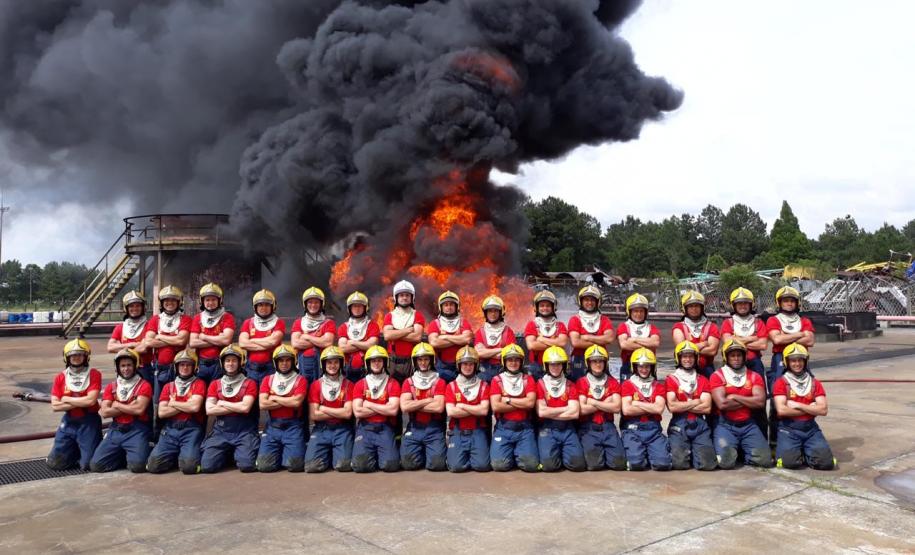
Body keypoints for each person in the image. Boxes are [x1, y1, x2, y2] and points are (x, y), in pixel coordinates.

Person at [709, 340, 773, 469]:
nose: (736, 358)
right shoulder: (718, 376)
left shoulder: (754, 376)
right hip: (725, 425)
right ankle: (734, 451)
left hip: (748, 425)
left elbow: (760, 402)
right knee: (726, 463)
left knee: (764, 461)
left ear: (744, 356)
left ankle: (742, 452)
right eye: (732, 355)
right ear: (726, 357)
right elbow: (722, 404)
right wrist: (749, 400)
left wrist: (734, 396)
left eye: (739, 355)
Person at [772, 343, 836, 470]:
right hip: (788, 429)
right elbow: (782, 410)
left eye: (800, 360)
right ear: (787, 362)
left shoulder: (814, 383)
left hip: (810, 429)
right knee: (790, 463)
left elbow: (823, 410)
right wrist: (811, 408)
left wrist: (797, 405)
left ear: (805, 361)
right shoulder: (781, 382)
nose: (797, 364)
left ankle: (805, 452)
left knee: (826, 463)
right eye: (793, 360)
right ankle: (797, 451)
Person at [766, 286, 815, 444]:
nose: (788, 303)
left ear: (797, 303)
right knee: (777, 398)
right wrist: (800, 334)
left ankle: (804, 434)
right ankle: (775, 439)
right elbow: (777, 340)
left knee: (805, 394)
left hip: (801, 359)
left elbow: (810, 340)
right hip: (780, 359)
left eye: (791, 301)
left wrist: (786, 336)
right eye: (785, 300)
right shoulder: (774, 320)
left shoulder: (804, 320)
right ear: (779, 303)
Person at [90, 348, 153, 473]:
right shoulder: (111, 386)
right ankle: (125, 455)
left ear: (135, 366)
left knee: (138, 467)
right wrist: (130, 406)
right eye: (122, 365)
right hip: (116, 430)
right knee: (97, 466)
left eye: (129, 365)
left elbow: (139, 410)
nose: (126, 369)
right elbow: (104, 412)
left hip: (136, 430)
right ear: (118, 367)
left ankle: (146, 449)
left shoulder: (144, 385)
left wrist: (117, 405)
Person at [200, 345, 259, 473]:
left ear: (240, 362)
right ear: (222, 363)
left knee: (247, 465)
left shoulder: (250, 383)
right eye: (227, 360)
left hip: (244, 431)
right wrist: (236, 406)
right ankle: (228, 454)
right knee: (207, 466)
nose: (230, 364)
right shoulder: (215, 384)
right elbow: (209, 410)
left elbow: (245, 408)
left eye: (234, 360)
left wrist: (222, 402)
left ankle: (237, 453)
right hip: (221, 431)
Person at [720, 287, 770, 438]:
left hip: (754, 363)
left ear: (751, 304)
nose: (743, 306)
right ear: (733, 305)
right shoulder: (728, 323)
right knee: (730, 398)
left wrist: (737, 340)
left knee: (759, 402)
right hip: (732, 364)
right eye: (739, 303)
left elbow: (763, 345)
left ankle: (761, 437)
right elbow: (727, 342)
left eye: (746, 303)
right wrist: (752, 338)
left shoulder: (758, 322)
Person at [147, 349, 206, 474]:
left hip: (191, 429)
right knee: (153, 467)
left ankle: (186, 455)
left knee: (189, 468)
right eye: (181, 364)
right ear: (176, 367)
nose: (185, 368)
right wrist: (186, 404)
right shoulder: (168, 386)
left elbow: (194, 408)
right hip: (170, 430)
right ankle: (177, 455)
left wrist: (173, 403)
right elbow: (162, 413)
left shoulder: (199, 384)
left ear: (194, 367)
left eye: (188, 365)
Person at [46, 339, 103, 471]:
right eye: (73, 355)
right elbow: (55, 406)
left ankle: (85, 449)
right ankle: (75, 449)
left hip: (89, 421)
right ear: (67, 357)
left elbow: (91, 401)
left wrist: (66, 398)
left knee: (87, 465)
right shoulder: (60, 377)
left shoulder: (94, 374)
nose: (76, 357)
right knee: (55, 464)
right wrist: (81, 401)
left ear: (86, 356)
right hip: (69, 421)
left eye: (79, 354)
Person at [256, 344, 308, 472]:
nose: (284, 363)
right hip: (273, 427)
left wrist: (274, 398)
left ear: (293, 361)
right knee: (264, 466)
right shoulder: (267, 380)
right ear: (275, 362)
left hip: (293, 427)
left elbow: (296, 403)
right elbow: (263, 404)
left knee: (294, 466)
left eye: (287, 360)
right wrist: (287, 400)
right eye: (281, 360)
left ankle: (293, 451)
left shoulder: (300, 380)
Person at [665, 341, 717, 471]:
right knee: (680, 464)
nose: (688, 359)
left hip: (700, 424)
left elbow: (707, 408)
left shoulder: (703, 380)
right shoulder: (671, 379)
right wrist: (695, 401)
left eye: (691, 356)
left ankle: (694, 451)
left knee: (708, 465)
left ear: (696, 358)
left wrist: (682, 404)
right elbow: (672, 407)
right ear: (679, 358)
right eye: (684, 356)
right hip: (679, 423)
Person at [143, 285, 192, 421]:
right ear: (162, 303)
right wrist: (173, 340)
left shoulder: (185, 319)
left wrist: (159, 337)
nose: (169, 303)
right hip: (160, 367)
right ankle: (158, 430)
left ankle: (177, 425)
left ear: (179, 302)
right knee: (159, 401)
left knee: (179, 397)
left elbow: (181, 339)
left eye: (173, 300)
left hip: (180, 367)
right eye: (166, 301)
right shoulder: (155, 320)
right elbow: (148, 342)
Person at [304, 346, 355, 473]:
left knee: (343, 465)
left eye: (336, 362)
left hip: (342, 429)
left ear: (341, 364)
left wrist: (323, 408)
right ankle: (329, 453)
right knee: (312, 467)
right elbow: (314, 415)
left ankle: (335, 453)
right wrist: (339, 412)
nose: (333, 365)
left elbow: (348, 413)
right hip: (322, 429)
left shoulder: (349, 385)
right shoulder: (316, 385)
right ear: (323, 364)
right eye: (329, 362)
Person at [489, 344, 539, 472]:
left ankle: (520, 453)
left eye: (517, 359)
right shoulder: (496, 380)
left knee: (530, 465)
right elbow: (496, 406)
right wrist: (521, 403)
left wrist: (508, 400)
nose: (513, 363)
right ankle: (515, 453)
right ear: (504, 362)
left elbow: (530, 404)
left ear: (521, 362)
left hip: (524, 429)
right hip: (504, 428)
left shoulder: (528, 379)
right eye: (510, 359)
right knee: (499, 465)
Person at [351, 346, 401, 472]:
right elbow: (357, 412)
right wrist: (384, 407)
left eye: (379, 360)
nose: (376, 363)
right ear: (368, 363)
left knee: (391, 465)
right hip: (365, 428)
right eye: (373, 361)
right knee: (361, 466)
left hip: (385, 427)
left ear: (385, 362)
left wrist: (369, 404)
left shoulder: (393, 383)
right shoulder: (360, 384)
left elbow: (393, 411)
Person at [620, 348, 672, 471]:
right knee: (636, 464)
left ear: (652, 368)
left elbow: (659, 409)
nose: (644, 370)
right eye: (641, 366)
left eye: (648, 366)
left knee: (663, 464)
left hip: (653, 429)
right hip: (633, 430)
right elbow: (627, 410)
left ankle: (653, 452)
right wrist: (650, 406)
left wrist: (636, 403)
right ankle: (641, 453)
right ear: (635, 367)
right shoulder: (627, 384)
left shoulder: (658, 385)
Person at [576, 345, 626, 471]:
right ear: (588, 363)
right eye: (594, 361)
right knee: (594, 465)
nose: (598, 364)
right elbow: (581, 409)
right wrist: (605, 402)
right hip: (588, 427)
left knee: (618, 464)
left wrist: (593, 401)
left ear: (605, 363)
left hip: (608, 427)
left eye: (600, 361)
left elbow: (616, 407)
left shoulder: (612, 382)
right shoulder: (582, 382)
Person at [536, 346, 586, 472]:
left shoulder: (570, 385)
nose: (555, 367)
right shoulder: (540, 384)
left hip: (567, 429)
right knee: (549, 466)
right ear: (546, 365)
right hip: (547, 429)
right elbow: (541, 412)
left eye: (559, 364)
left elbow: (574, 413)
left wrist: (550, 411)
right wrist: (565, 408)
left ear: (564, 365)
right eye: (552, 364)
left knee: (577, 465)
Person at [399, 342, 447, 471]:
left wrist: (414, 403)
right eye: (419, 359)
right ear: (415, 361)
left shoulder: (439, 381)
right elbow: (404, 407)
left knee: (437, 465)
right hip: (414, 427)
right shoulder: (408, 382)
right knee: (408, 464)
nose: (423, 363)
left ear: (432, 360)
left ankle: (429, 453)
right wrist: (428, 400)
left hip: (434, 428)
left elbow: (438, 408)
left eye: (426, 359)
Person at [444, 346, 491, 472]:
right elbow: (451, 412)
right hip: (458, 431)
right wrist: (475, 409)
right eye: (464, 364)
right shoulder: (451, 386)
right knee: (455, 467)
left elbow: (484, 411)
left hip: (477, 431)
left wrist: (463, 406)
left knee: (482, 466)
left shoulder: (483, 385)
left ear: (476, 365)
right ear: (459, 365)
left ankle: (472, 456)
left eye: (471, 364)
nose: (468, 367)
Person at [188, 282, 235, 384]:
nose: (210, 302)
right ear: (202, 301)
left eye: (213, 299)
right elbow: (192, 343)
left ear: (219, 300)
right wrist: (218, 339)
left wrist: (203, 336)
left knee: (216, 393)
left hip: (220, 362)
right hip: (201, 363)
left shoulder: (227, 317)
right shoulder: (197, 318)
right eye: (207, 300)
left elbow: (226, 340)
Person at [238, 289, 285, 388]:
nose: (264, 308)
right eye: (260, 305)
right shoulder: (248, 322)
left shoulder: (278, 322)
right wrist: (266, 343)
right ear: (255, 307)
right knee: (251, 396)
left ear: (273, 306)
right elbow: (242, 343)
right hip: (251, 368)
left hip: (271, 367)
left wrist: (252, 340)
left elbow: (273, 342)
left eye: (267, 305)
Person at [567, 285, 615, 382]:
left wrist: (587, 337)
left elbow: (609, 338)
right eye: (586, 300)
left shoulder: (604, 320)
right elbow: (576, 342)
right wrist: (600, 340)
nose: (590, 303)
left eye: (592, 300)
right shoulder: (575, 320)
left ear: (598, 302)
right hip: (579, 359)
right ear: (581, 301)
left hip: (600, 359)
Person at [382, 280, 426, 384]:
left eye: (407, 295)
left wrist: (395, 333)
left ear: (412, 298)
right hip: (393, 362)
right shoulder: (390, 316)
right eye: (401, 295)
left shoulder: (417, 315)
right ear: (396, 298)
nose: (404, 298)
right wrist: (407, 330)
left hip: (412, 363)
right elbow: (387, 336)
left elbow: (417, 337)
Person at [291, 286, 337, 382]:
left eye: (316, 302)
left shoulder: (328, 323)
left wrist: (306, 336)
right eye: (310, 302)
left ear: (321, 304)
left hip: (322, 367)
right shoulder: (298, 322)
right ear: (305, 304)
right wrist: (319, 339)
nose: (313, 305)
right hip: (302, 366)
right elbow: (295, 343)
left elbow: (327, 343)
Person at [426, 290, 473, 383]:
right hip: (441, 367)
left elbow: (467, 339)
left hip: (462, 365)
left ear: (457, 307)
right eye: (446, 305)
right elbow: (434, 342)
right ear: (441, 307)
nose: (449, 307)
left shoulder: (464, 322)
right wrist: (458, 338)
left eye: (451, 305)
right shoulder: (435, 323)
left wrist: (444, 337)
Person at [108, 290, 153, 386]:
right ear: (126, 308)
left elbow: (144, 348)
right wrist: (133, 344)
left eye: (138, 306)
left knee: (147, 399)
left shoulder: (149, 325)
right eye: (131, 306)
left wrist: (122, 348)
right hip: (125, 370)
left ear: (143, 307)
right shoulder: (120, 327)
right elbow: (110, 347)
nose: (134, 308)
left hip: (144, 369)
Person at [671, 291, 720, 378]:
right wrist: (703, 344)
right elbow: (681, 350)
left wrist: (690, 349)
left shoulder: (712, 326)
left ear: (702, 307)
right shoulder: (678, 327)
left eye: (697, 306)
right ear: (685, 308)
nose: (694, 309)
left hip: (706, 369)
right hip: (685, 368)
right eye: (690, 306)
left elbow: (712, 351)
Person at [523, 290, 569, 381]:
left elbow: (563, 343)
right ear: (536, 307)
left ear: (553, 307)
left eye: (548, 305)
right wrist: (555, 342)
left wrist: (541, 339)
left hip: (557, 365)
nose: (545, 308)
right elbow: (531, 345)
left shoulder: (560, 325)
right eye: (542, 305)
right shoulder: (532, 325)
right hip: (537, 366)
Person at [615, 293, 661, 383]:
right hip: (628, 365)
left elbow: (655, 343)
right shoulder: (624, 326)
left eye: (641, 311)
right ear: (630, 312)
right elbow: (624, 344)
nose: (639, 314)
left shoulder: (652, 327)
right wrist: (647, 342)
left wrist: (634, 339)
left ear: (645, 312)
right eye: (635, 311)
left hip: (648, 365)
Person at [337, 291, 380, 384]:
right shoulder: (343, 327)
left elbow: (371, 346)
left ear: (365, 307)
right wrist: (364, 343)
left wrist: (352, 342)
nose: (357, 308)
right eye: (354, 306)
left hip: (368, 370)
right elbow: (342, 348)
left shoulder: (373, 325)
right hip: (347, 370)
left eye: (360, 306)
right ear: (350, 308)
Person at [473, 295, 515, 383]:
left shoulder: (508, 331)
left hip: (503, 369)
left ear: (501, 312)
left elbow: (510, 353)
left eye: (496, 311)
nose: (493, 314)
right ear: (485, 313)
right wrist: (500, 349)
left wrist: (487, 352)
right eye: (490, 311)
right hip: (484, 369)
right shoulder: (480, 332)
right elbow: (479, 353)